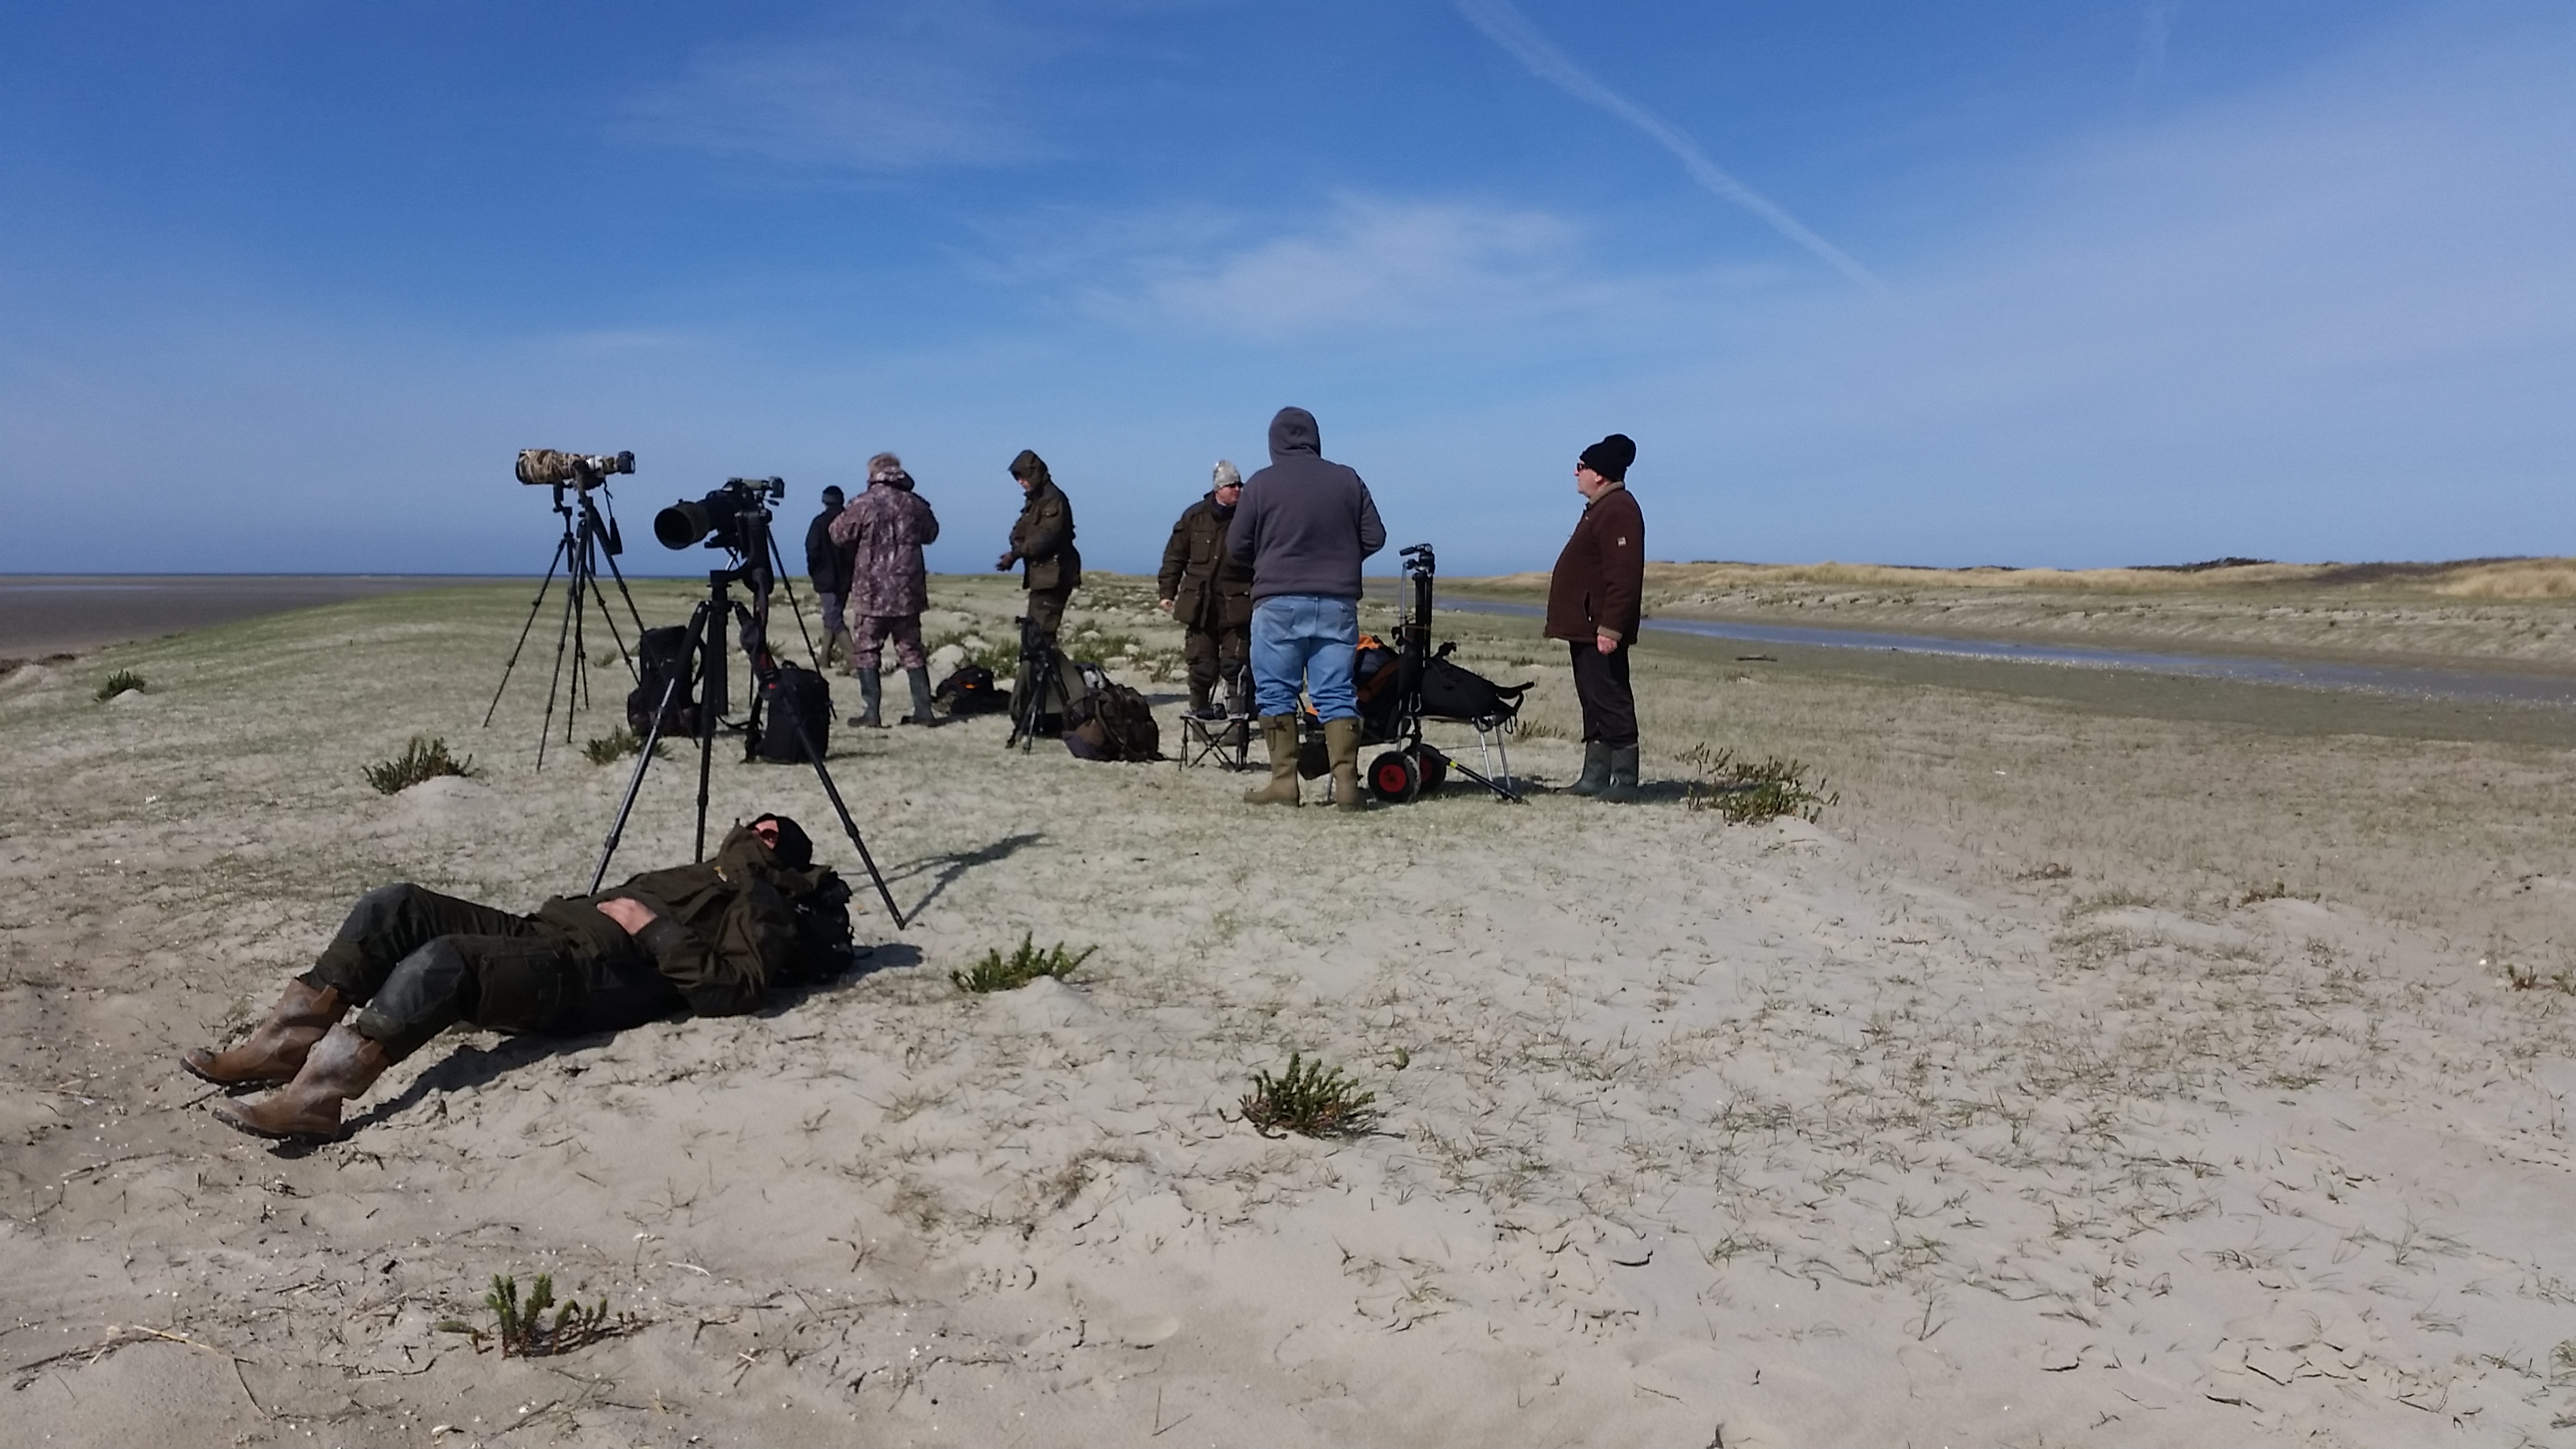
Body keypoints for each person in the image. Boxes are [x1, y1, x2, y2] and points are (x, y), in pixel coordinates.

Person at [182, 815, 844, 1142]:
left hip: (587, 978)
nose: (753, 828)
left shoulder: (762, 903)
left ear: (777, 851)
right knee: (396, 905)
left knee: (448, 960)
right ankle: (285, 1043)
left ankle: (321, 1095)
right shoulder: (718, 871)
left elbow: (735, 990)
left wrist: (652, 926)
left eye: (767, 830)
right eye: (756, 822)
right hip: (546, 934)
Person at [1226, 406, 1386, 810]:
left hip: (1277, 601)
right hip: (1337, 603)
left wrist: (1272, 560)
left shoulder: (1261, 485)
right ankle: (1348, 788)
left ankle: (1284, 784)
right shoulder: (1347, 479)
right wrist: (1341, 561)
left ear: (1274, 442)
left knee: (1277, 692)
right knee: (1336, 693)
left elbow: (1236, 547)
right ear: (1315, 438)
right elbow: (1375, 536)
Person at [1544, 433, 1646, 801]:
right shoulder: (1600, 507)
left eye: (1582, 467)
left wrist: (1611, 627)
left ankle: (1625, 781)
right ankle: (1595, 775)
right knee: (1592, 697)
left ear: (1599, 474)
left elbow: (1624, 576)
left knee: (1611, 695)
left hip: (1599, 627)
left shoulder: (1619, 508)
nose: (1576, 473)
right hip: (1585, 626)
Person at [830, 453, 942, 728]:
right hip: (908, 591)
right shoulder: (915, 504)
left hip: (872, 591)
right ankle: (924, 711)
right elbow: (932, 533)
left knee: (867, 650)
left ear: (874, 473)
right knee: (911, 649)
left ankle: (871, 712)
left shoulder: (864, 503)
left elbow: (837, 533)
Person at [1157, 460, 1256, 718]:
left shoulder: (1250, 518)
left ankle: (1238, 723)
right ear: (1218, 489)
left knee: (1237, 667)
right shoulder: (1194, 517)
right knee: (1202, 667)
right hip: (1200, 606)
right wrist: (1167, 593)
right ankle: (1199, 716)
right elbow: (1174, 556)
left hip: (1238, 605)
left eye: (1239, 485)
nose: (1238, 490)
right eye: (1232, 485)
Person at [805, 485, 853, 671]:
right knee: (833, 615)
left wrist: (814, 571)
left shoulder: (819, 522)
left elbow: (812, 549)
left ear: (825, 501)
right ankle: (824, 657)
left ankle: (854, 658)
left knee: (833, 618)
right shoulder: (849, 521)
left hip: (826, 577)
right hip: (846, 576)